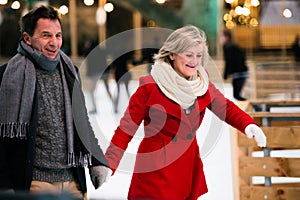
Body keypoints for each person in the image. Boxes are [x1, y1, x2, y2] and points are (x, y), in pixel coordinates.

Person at [104, 25, 267, 200]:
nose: (194, 61)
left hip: (187, 170)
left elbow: (225, 107)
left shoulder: (202, 85)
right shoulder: (150, 88)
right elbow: (125, 130)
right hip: (155, 176)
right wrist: (108, 164)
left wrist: (248, 124)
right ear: (172, 54)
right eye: (189, 55)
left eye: (199, 55)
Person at [0, 5, 110, 199]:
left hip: (72, 180)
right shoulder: (7, 77)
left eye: (57, 35)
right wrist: (5, 184)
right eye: (46, 35)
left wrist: (96, 160)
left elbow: (82, 122)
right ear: (27, 38)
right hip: (33, 183)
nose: (54, 43)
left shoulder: (70, 71)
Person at [84, 43, 113, 114]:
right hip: (104, 72)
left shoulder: (90, 52)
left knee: (90, 91)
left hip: (96, 73)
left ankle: (94, 108)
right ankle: (115, 105)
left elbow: (90, 65)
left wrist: (88, 75)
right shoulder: (101, 51)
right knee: (107, 89)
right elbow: (106, 62)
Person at [221, 29, 249, 101]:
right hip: (242, 73)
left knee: (236, 95)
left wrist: (225, 75)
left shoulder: (227, 47)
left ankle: (253, 107)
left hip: (239, 74)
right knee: (236, 95)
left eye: (222, 36)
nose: (220, 39)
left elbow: (228, 61)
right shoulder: (233, 46)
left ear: (226, 37)